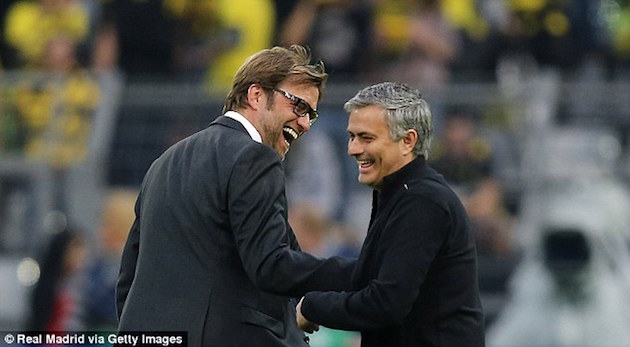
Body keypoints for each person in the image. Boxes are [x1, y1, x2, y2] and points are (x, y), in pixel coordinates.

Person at [116, 45, 355, 347]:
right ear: (256, 95)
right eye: (299, 106)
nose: (306, 124)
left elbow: (129, 279)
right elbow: (271, 265)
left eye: (312, 115)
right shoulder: (254, 157)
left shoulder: (164, 162)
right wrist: (358, 272)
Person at [296, 82, 485, 346]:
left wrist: (314, 307)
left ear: (408, 141)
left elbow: (386, 302)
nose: (353, 149)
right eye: (352, 137)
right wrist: (291, 272)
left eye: (366, 138)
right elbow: (369, 274)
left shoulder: (422, 201)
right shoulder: (399, 192)